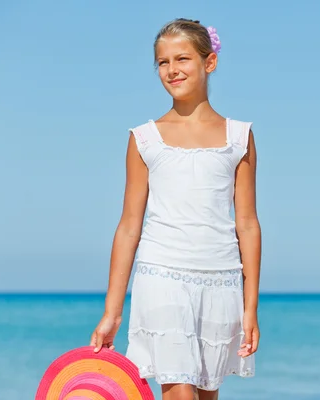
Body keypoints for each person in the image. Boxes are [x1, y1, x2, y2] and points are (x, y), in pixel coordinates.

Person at [89, 18, 261, 400]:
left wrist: (250, 308)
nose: (172, 70)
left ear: (209, 62)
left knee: (205, 393)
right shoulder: (144, 139)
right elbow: (129, 226)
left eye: (182, 58)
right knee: (179, 392)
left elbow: (247, 224)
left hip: (220, 278)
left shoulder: (239, 137)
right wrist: (112, 312)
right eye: (162, 62)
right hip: (161, 274)